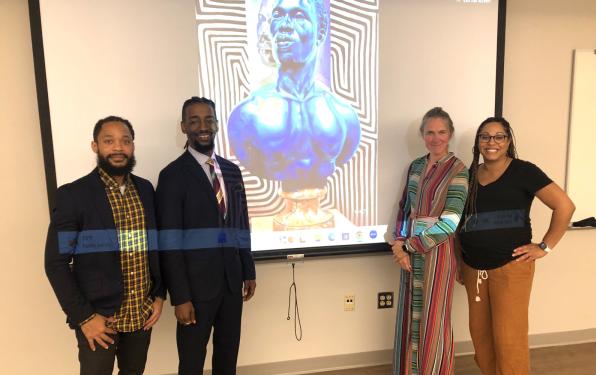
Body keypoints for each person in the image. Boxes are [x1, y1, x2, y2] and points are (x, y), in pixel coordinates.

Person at [45, 116, 165, 375]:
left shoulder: (145, 190)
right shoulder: (73, 195)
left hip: (140, 313)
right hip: (99, 318)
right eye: (108, 141)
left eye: (125, 141)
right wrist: (84, 317)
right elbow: (56, 263)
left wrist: (159, 294)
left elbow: (155, 246)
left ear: (133, 146)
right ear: (95, 146)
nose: (118, 148)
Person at [458, 117, 575, 375]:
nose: (492, 142)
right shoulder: (467, 175)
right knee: (481, 338)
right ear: (478, 142)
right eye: (485, 136)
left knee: (509, 340)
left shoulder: (524, 171)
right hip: (473, 269)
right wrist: (459, 261)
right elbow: (460, 223)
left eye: (499, 136)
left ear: (508, 141)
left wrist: (545, 247)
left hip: (511, 269)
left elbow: (565, 206)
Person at [156, 97, 257, 374]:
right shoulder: (172, 176)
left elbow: (240, 224)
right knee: (191, 362)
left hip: (231, 283)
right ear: (183, 127)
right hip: (194, 290)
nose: (203, 126)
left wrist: (248, 269)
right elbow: (169, 241)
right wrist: (180, 297)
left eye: (208, 119)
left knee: (227, 355)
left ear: (216, 124)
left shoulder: (232, 172)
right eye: (194, 120)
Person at [228, 0, 361, 191]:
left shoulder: (343, 116)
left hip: (321, 214)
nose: (284, 26)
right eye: (277, 15)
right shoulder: (246, 115)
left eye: (299, 16)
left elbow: (344, 154)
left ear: (320, 32)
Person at [390, 107, 469, 374]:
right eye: (430, 132)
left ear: (450, 134)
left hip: (439, 254)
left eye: (442, 132)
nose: (435, 138)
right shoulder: (416, 166)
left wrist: (410, 246)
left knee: (434, 319)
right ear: (422, 135)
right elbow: (404, 208)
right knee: (409, 316)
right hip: (408, 253)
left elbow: (449, 223)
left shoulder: (459, 170)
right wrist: (399, 244)